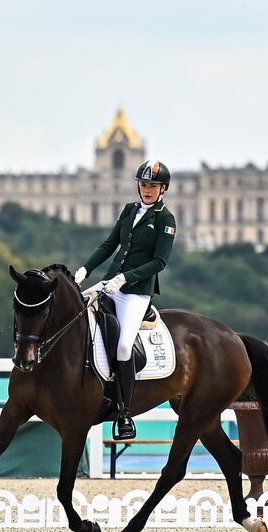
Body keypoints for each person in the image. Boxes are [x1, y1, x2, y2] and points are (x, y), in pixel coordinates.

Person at [73, 160, 177, 440]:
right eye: (143, 185)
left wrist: (126, 278)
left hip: (137, 292)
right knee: (77, 319)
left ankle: (125, 413)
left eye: (152, 186)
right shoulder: (129, 210)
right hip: (111, 283)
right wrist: (86, 269)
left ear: (162, 189)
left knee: (122, 346)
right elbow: (110, 244)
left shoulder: (165, 219)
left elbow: (159, 262)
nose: (147, 190)